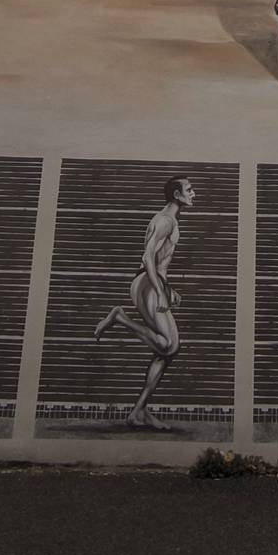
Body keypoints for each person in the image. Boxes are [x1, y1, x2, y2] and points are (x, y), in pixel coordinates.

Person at [93, 175, 196, 429]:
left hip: (153, 283)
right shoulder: (165, 221)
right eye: (190, 190)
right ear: (176, 195)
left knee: (165, 353)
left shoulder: (169, 219)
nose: (194, 194)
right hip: (146, 284)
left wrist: (168, 289)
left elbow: (160, 262)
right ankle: (119, 317)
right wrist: (160, 292)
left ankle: (138, 411)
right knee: (170, 345)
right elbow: (148, 257)